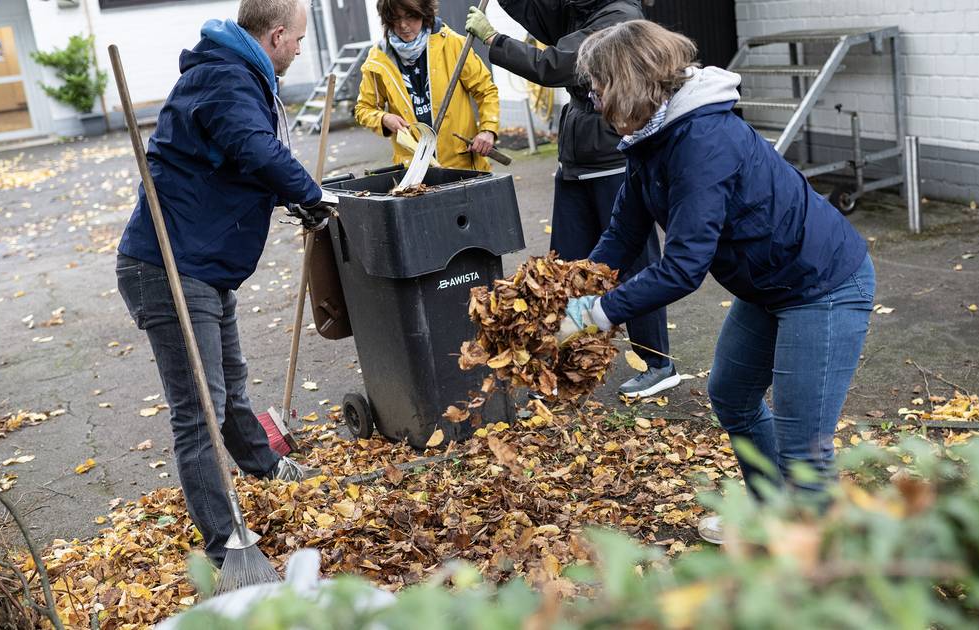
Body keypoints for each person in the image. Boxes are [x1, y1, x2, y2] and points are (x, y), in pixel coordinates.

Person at [561, 21, 876, 543]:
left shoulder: (701, 141)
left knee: (804, 451)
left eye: (596, 85)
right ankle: (770, 516)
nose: (591, 98)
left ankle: (824, 580)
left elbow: (684, 266)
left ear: (627, 82)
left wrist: (597, 314)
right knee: (732, 394)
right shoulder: (651, 136)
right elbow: (623, 233)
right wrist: (570, 288)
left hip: (822, 285)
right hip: (769, 286)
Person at [115, 0, 333, 566]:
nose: (301, 49)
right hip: (168, 269)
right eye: (300, 39)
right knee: (200, 411)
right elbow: (253, 147)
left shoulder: (232, 73)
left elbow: (247, 156)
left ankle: (264, 465)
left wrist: (295, 194)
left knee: (229, 389)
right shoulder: (225, 78)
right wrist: (309, 195)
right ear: (278, 35)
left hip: (202, 264)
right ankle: (226, 543)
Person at [466, 0, 680, 399]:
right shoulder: (585, 9)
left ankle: (657, 363)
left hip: (615, 156)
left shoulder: (619, 16)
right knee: (564, 267)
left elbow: (560, 64)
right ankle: (562, 365)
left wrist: (495, 40)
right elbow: (542, 19)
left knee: (633, 264)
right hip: (576, 157)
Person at [356, 0, 500, 171]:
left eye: (410, 16)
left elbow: (485, 91)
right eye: (395, 18)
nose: (403, 25)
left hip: (462, 165)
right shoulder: (378, 59)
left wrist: (488, 130)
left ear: (424, 13)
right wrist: (383, 118)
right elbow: (363, 109)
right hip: (414, 171)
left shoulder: (453, 44)